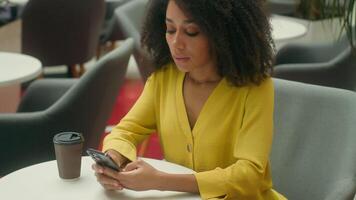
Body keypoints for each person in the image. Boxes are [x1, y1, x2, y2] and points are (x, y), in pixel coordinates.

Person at [92, 0, 286, 199]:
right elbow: (125, 131)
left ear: (221, 34)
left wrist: (160, 181)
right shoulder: (163, 79)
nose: (177, 43)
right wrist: (113, 158)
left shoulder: (255, 88)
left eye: (191, 31)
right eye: (170, 29)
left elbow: (250, 175)